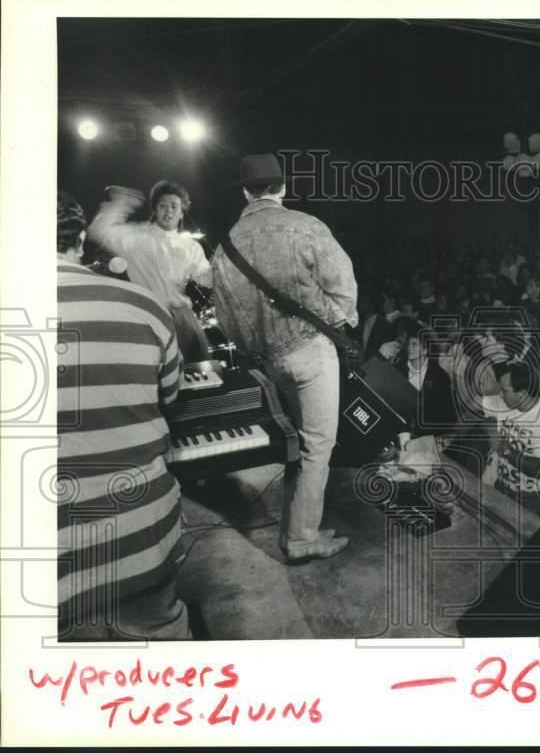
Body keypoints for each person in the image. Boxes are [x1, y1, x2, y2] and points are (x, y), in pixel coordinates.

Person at [56, 191, 190, 640]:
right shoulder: (141, 298)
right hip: (145, 535)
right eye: (165, 206)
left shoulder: (187, 245)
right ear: (77, 242)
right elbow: (170, 400)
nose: (171, 212)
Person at [212, 153, 357, 564]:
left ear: (245, 191)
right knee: (317, 447)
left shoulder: (225, 246)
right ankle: (301, 540)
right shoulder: (306, 226)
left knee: (299, 442)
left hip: (269, 362)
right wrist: (339, 323)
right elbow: (343, 286)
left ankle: (298, 527)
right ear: (283, 187)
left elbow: (224, 320)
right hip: (311, 352)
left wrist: (257, 349)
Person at [88, 181, 212, 361]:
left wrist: (221, 269)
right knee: (156, 375)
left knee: (201, 367)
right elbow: (99, 230)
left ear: (181, 213)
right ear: (154, 209)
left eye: (174, 206)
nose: (168, 211)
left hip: (183, 318)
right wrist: (121, 203)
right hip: (149, 316)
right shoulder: (137, 238)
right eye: (162, 206)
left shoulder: (191, 246)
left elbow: (205, 277)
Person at [483, 361, 540, 505]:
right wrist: (492, 428)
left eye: (504, 390)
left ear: (522, 394)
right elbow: (483, 412)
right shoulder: (506, 404)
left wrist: (506, 450)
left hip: (529, 498)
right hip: (502, 486)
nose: (500, 394)